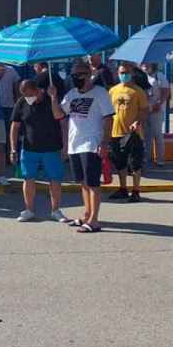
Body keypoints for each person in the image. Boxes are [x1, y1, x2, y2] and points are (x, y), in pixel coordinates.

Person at [61, 59, 113, 233]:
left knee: (92, 183)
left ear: (89, 74)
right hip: (74, 143)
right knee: (82, 182)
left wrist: (105, 142)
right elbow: (59, 114)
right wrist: (54, 97)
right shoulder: (71, 94)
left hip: (91, 142)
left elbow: (108, 118)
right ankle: (87, 214)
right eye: (74, 75)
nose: (77, 78)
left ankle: (94, 220)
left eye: (80, 75)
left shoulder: (100, 93)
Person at [10, 79, 68, 222]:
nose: (27, 98)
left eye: (30, 95)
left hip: (52, 148)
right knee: (28, 178)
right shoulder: (21, 102)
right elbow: (15, 126)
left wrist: (66, 146)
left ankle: (56, 210)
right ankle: (29, 210)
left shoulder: (51, 99)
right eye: (24, 95)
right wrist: (13, 148)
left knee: (55, 179)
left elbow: (62, 122)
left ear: (37, 90)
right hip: (29, 148)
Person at [108, 62, 149, 202]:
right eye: (121, 73)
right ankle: (123, 188)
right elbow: (108, 111)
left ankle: (136, 190)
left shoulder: (138, 91)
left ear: (132, 74)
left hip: (133, 133)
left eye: (126, 72)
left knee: (135, 163)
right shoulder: (113, 90)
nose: (123, 75)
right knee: (120, 163)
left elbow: (144, 110)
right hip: (115, 132)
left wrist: (137, 121)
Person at [141, 62, 171, 167]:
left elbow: (166, 91)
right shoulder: (142, 76)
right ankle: (147, 157)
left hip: (157, 110)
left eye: (147, 64)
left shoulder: (159, 76)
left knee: (157, 134)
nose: (145, 65)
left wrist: (159, 103)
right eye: (143, 64)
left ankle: (160, 159)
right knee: (146, 135)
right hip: (145, 109)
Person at [0, 63, 21, 139]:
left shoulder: (11, 70)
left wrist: (18, 102)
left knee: (10, 128)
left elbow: (17, 86)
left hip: (10, 105)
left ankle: (10, 148)